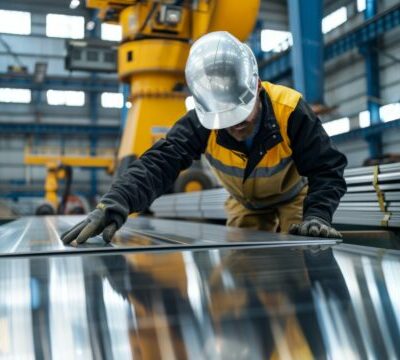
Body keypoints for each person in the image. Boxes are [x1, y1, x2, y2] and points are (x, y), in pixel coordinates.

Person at [61, 31, 347, 245]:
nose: (233, 125)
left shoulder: (291, 110)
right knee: (243, 269)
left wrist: (318, 215)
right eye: (224, 118)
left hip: (294, 200)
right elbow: (160, 163)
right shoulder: (201, 122)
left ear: (257, 87)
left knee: (300, 259)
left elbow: (326, 169)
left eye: (240, 114)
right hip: (244, 204)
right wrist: (116, 201)